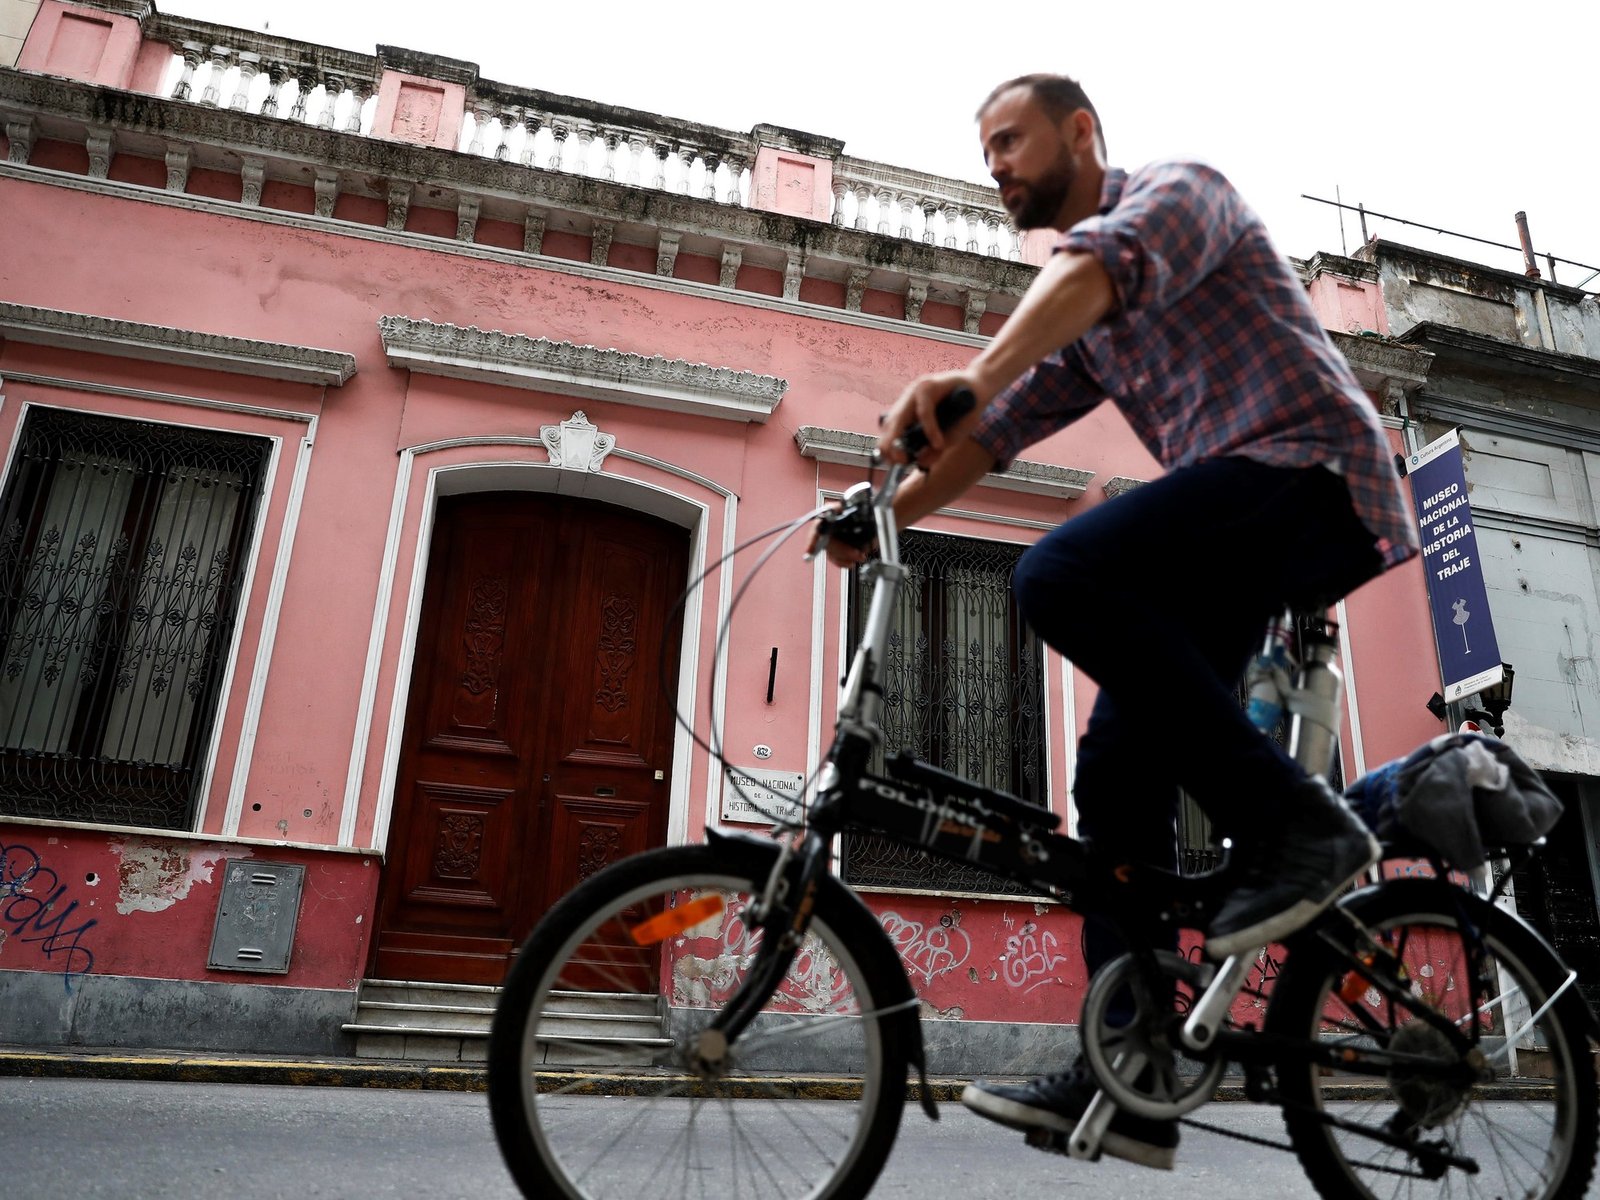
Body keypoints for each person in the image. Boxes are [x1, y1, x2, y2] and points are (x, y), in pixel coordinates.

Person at [817, 73, 1419, 1170]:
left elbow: (1083, 284)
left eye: (1011, 139)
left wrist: (972, 368)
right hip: (1240, 527)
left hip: (1312, 477)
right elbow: (995, 436)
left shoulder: (1182, 196)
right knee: (1115, 779)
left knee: (1056, 575)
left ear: (1081, 133)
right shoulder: (1086, 327)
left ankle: (1300, 827)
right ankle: (1133, 1069)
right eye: (984, 148)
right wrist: (886, 518)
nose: (994, 163)